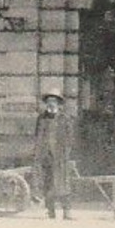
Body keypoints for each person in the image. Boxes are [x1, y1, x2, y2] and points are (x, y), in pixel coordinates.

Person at [33, 89, 75, 220]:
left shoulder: (65, 118)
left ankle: (67, 211)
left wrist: (66, 153)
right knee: (48, 183)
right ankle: (50, 210)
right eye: (49, 102)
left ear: (58, 104)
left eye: (54, 101)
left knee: (64, 183)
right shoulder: (41, 118)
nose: (51, 104)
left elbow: (70, 138)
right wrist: (38, 153)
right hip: (46, 157)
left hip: (61, 157)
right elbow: (38, 136)